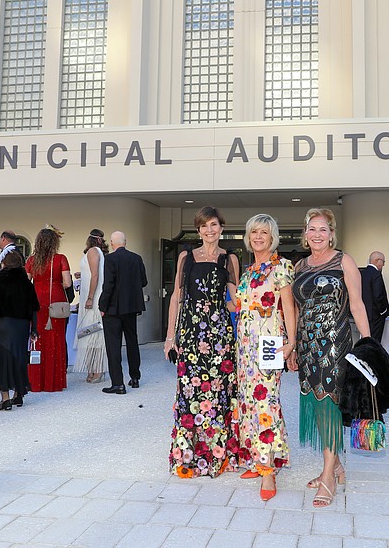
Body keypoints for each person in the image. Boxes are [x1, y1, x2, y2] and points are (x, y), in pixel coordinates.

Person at [292, 207, 371, 508]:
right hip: (308, 348)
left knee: (330, 407)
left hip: (335, 346)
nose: (317, 234)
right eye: (312, 228)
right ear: (306, 233)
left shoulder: (344, 261)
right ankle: (335, 466)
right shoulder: (299, 266)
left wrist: (368, 346)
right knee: (318, 404)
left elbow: (358, 305)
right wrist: (294, 347)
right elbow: (297, 311)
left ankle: (328, 478)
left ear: (331, 233)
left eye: (322, 229)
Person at [165, 206, 240, 478]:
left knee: (218, 393)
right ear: (198, 230)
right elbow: (177, 296)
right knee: (189, 393)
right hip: (191, 333)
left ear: (222, 228)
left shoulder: (229, 259)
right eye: (204, 226)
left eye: (214, 225)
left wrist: (261, 301)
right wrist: (170, 336)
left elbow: (234, 301)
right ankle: (188, 455)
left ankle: (217, 455)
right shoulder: (186, 256)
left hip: (220, 335)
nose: (210, 230)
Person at [233, 214, 297, 501]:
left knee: (266, 400)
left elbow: (289, 306)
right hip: (245, 345)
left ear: (273, 237)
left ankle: (269, 469)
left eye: (264, 232)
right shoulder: (248, 271)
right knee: (249, 400)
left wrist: (291, 342)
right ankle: (259, 460)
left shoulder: (281, 266)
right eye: (254, 232)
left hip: (270, 342)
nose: (258, 237)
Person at [0, 251, 39, 410]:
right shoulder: (27, 283)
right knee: (18, 358)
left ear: (4, 264)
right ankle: (18, 394)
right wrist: (34, 329)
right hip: (21, 327)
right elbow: (34, 308)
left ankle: (5, 399)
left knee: (1, 359)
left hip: (2, 325)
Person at [99, 231, 148, 393]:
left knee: (113, 346)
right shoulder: (136, 258)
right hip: (131, 307)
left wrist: (102, 306)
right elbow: (143, 281)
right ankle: (135, 377)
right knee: (132, 342)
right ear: (125, 242)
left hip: (113, 308)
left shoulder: (110, 259)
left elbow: (109, 285)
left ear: (113, 243)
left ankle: (118, 383)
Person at [25, 225, 71, 393]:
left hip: (37, 300)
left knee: (37, 340)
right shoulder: (61, 259)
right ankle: (54, 382)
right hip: (56, 301)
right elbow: (67, 283)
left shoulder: (31, 260)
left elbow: (26, 281)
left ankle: (36, 381)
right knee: (56, 339)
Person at [74, 229, 109, 384]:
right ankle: (92, 368)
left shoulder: (93, 251)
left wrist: (90, 298)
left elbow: (95, 275)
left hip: (93, 300)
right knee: (88, 333)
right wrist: (82, 275)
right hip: (90, 298)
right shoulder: (97, 252)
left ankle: (98, 369)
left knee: (93, 333)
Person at [359, 251, 389, 343]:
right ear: (377, 261)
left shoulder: (362, 273)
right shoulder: (376, 274)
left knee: (365, 340)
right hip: (375, 315)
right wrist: (383, 311)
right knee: (374, 342)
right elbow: (378, 295)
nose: (383, 265)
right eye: (383, 262)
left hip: (363, 314)